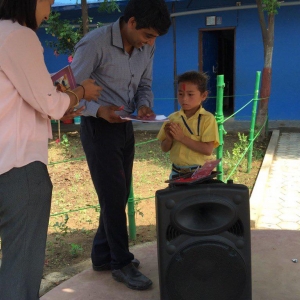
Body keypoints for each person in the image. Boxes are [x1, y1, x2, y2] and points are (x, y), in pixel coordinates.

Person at [0, 1, 101, 299]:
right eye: (49, 2)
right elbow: (50, 104)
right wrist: (79, 91)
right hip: (18, 167)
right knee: (20, 270)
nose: (49, 11)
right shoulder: (19, 35)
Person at [71, 0, 171, 291]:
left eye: (154, 38)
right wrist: (99, 110)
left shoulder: (146, 46)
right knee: (114, 196)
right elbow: (69, 93)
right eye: (147, 35)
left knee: (118, 192)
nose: (150, 43)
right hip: (98, 128)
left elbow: (145, 85)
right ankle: (121, 263)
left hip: (125, 126)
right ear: (131, 22)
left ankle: (102, 256)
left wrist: (143, 106)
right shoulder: (94, 44)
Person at [157, 71, 220, 178]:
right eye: (181, 94)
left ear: (204, 95)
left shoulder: (208, 119)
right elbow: (164, 148)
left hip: (198, 173)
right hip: (176, 172)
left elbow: (208, 150)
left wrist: (182, 138)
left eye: (190, 94)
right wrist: (169, 139)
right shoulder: (172, 118)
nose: (184, 99)